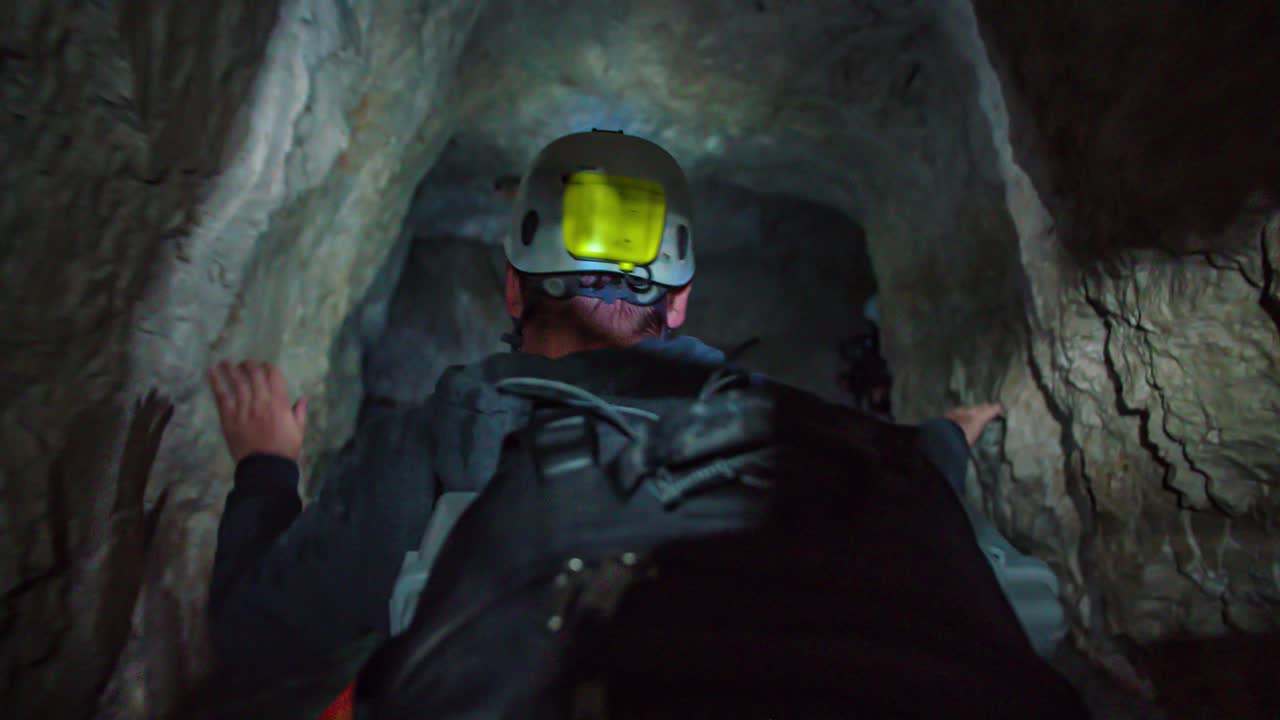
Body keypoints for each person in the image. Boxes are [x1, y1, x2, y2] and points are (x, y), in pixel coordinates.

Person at [206, 130, 1075, 714]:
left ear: (512, 289)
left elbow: (254, 634)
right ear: (683, 303)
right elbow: (1021, 607)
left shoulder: (436, 446)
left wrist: (266, 467)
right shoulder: (868, 455)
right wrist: (938, 450)